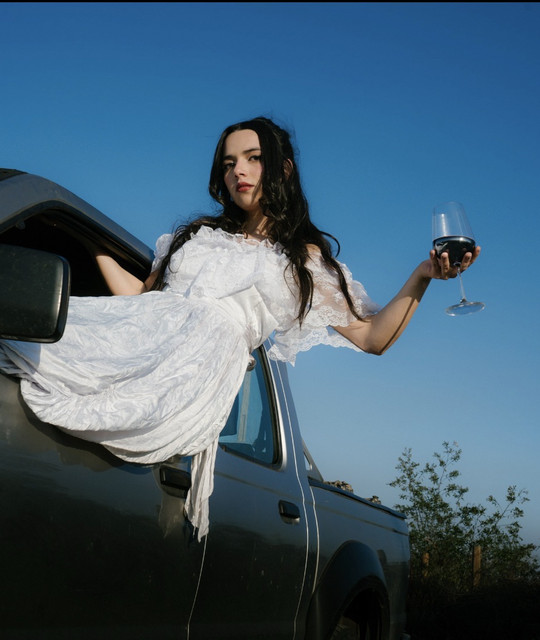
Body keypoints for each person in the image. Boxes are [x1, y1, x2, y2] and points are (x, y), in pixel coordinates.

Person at [0, 116, 480, 539]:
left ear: (283, 169)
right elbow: (142, 302)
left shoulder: (302, 261)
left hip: (186, 377)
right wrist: (91, 245)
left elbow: (373, 338)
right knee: (24, 343)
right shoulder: (196, 237)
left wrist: (422, 275)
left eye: (253, 158)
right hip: (138, 341)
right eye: (229, 163)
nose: (238, 172)